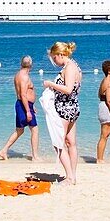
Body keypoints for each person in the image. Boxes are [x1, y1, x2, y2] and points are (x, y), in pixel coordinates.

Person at [43, 41, 81, 184]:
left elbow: (68, 89)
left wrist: (51, 84)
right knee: (71, 142)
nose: (54, 61)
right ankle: (72, 176)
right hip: (73, 107)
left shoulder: (70, 67)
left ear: (60, 54)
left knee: (58, 143)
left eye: (54, 58)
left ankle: (70, 176)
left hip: (65, 109)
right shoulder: (75, 65)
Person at [0, 55, 40, 161]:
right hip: (23, 105)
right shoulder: (24, 77)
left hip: (22, 105)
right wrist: (28, 111)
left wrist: (31, 105)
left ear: (21, 64)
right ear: (31, 65)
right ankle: (35, 156)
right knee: (35, 130)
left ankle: (3, 150)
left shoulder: (18, 74)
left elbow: (23, 94)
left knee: (20, 131)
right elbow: (23, 94)